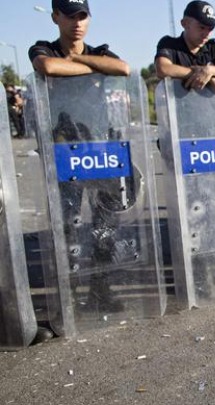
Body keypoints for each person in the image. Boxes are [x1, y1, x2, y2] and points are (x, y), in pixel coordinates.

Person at [28, 0, 133, 329]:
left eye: (82, 15)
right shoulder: (43, 47)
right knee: (68, 226)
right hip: (64, 150)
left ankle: (100, 290)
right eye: (70, 15)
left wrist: (77, 59)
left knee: (105, 230)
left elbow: (123, 69)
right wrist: (92, 67)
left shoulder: (101, 50)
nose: (77, 22)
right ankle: (68, 293)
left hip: (100, 149)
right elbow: (47, 67)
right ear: (56, 17)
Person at [155, 1, 215, 92]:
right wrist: (208, 78)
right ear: (185, 24)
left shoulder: (212, 47)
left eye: (210, 29)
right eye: (202, 27)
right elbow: (163, 69)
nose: (207, 34)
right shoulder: (169, 45)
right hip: (180, 105)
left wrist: (210, 71)